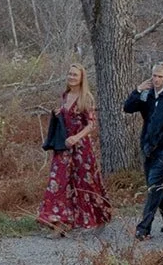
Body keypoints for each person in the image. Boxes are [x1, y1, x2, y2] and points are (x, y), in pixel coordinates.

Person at [36, 63, 112, 236]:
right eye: (69, 74)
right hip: (62, 147)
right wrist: (58, 113)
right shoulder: (65, 95)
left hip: (81, 148)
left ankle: (100, 216)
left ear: (81, 78)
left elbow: (91, 124)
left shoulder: (87, 98)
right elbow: (67, 116)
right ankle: (59, 224)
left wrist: (76, 138)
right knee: (58, 182)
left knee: (86, 184)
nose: (71, 77)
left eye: (75, 75)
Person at [123, 62, 163, 241]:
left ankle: (143, 228)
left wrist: (160, 143)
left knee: (154, 187)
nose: (156, 79)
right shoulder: (147, 95)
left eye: (160, 76)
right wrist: (137, 90)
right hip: (147, 145)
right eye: (154, 76)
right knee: (155, 186)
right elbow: (127, 108)